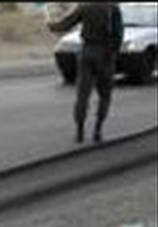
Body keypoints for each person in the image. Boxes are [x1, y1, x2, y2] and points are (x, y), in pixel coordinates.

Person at [49, 2, 124, 143]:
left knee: (82, 94)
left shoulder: (85, 6)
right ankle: (98, 129)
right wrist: (113, 52)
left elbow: (67, 24)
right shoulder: (113, 8)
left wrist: (52, 26)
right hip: (106, 53)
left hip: (87, 52)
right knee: (105, 94)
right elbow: (119, 33)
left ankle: (80, 131)